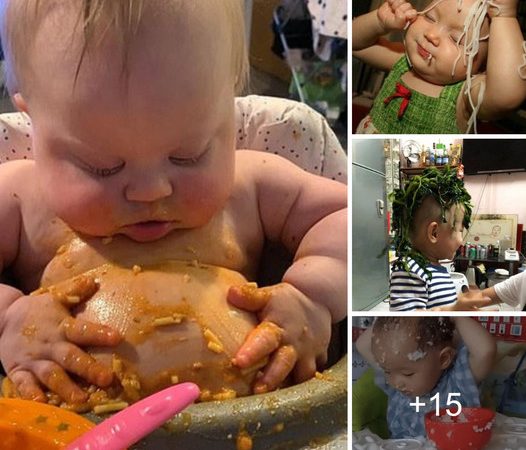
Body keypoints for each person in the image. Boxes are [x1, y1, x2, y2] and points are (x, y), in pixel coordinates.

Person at [0, 0, 347, 405]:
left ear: (228, 107)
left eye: (189, 155)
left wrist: (312, 296)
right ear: (33, 120)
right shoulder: (22, 201)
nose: (152, 191)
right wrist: (9, 317)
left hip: (261, 426)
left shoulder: (251, 184)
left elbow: (353, 218)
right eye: (100, 167)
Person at [352, 0, 526, 133]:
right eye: (429, 17)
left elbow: (507, 94)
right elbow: (354, 45)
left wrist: (505, 18)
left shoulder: (466, 96)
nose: (431, 34)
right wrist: (378, 22)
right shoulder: (402, 61)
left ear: (481, 66)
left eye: (456, 38)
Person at [356, 316, 496, 438]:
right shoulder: (396, 382)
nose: (396, 383)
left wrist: (454, 316)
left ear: (443, 359)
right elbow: (361, 344)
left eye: (407, 374)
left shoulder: (458, 381)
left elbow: (486, 351)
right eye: (387, 372)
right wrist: (399, 316)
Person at [389, 166, 491, 310]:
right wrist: (452, 310)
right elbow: (406, 322)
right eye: (459, 231)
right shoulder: (410, 271)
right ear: (434, 233)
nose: (462, 241)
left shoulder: (437, 269)